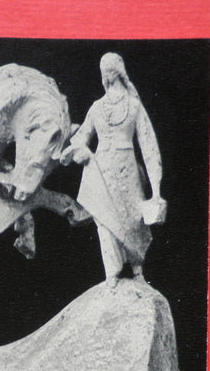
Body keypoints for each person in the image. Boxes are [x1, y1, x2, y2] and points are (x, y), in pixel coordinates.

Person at [60, 53, 166, 287]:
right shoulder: (97, 107)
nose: (106, 75)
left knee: (134, 219)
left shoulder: (134, 106)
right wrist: (74, 151)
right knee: (105, 219)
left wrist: (156, 191)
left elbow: (149, 147)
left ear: (116, 73)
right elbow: (82, 137)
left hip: (127, 171)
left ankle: (137, 270)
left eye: (108, 70)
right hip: (101, 169)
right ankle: (112, 273)